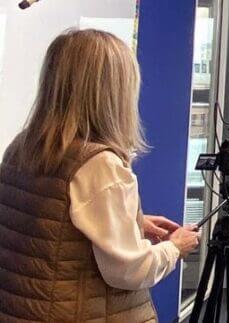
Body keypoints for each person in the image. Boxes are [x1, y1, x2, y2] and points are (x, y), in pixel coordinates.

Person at [0, 29, 200, 322]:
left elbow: (48, 227)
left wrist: (131, 222)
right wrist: (175, 247)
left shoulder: (24, 145)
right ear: (114, 91)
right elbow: (130, 271)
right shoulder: (99, 165)